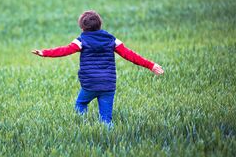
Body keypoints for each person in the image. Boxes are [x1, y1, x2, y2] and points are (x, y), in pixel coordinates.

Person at [31, 10, 164, 125]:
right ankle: (109, 137)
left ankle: (83, 126)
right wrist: (150, 65)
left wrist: (45, 53)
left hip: (90, 84)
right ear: (100, 24)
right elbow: (130, 55)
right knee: (106, 119)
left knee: (81, 104)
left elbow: (64, 50)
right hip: (108, 85)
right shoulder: (111, 39)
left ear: (82, 27)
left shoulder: (81, 40)